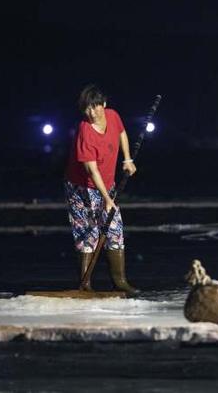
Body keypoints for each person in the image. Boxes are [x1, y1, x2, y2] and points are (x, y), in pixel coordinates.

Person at [64, 84, 138, 294]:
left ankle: (120, 282)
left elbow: (122, 134)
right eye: (87, 108)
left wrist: (127, 159)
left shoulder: (112, 116)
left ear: (103, 105)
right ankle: (85, 283)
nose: (92, 112)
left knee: (114, 229)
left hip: (108, 185)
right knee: (88, 232)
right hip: (81, 188)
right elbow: (91, 171)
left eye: (95, 107)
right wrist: (107, 198)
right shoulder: (85, 132)